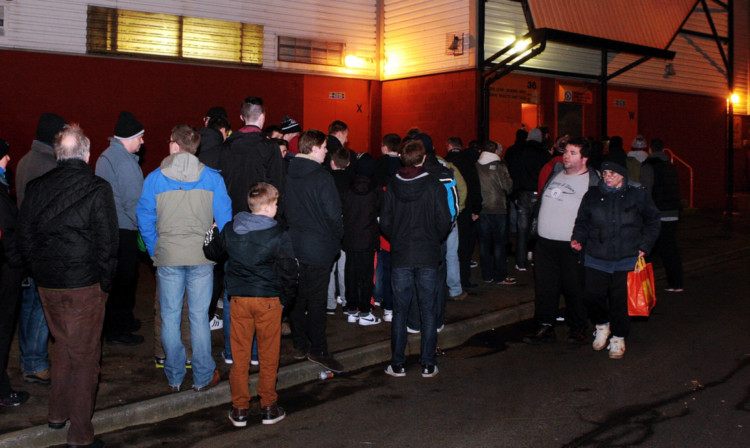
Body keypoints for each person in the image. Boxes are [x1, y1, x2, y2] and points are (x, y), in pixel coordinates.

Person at [19, 124, 119, 448]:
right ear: (87, 155)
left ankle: (56, 413)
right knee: (85, 358)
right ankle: (80, 434)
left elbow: (25, 238)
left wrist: (39, 271)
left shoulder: (36, 187)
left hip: (49, 285)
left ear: (59, 153)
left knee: (61, 348)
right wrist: (105, 284)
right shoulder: (97, 188)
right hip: (83, 286)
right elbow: (108, 244)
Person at [137, 124, 232, 391]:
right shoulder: (213, 178)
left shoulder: (154, 178)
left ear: (175, 145)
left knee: (169, 316)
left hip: (168, 256)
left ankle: (175, 375)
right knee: (199, 318)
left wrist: (155, 247)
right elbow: (225, 221)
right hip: (201, 257)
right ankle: (202, 376)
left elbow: (144, 217)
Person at [203, 182, 298, 427]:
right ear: (266, 207)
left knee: (240, 355)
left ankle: (240, 409)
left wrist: (211, 231)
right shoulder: (278, 234)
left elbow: (212, 253)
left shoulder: (232, 229)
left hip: (239, 301)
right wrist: (284, 301)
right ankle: (268, 405)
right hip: (268, 300)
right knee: (268, 355)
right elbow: (289, 272)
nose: (277, 207)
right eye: (275, 203)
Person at [571, 151, 660, 359]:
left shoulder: (637, 194)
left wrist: (645, 245)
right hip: (596, 255)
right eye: (605, 172)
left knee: (620, 300)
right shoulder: (592, 195)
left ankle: (618, 338)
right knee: (592, 296)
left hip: (626, 257)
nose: (608, 176)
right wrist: (578, 237)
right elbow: (582, 221)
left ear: (622, 173)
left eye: (612, 172)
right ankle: (602, 325)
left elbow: (653, 221)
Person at [219, 96, 286, 364]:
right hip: (264, 228)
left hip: (234, 227)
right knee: (263, 288)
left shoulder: (227, 147)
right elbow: (280, 188)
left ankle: (232, 351)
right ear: (262, 118)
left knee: (232, 289)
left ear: (241, 117)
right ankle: (258, 353)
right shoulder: (269, 149)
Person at [380, 139, 452, 378]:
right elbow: (444, 221)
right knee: (428, 310)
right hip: (428, 254)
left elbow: (386, 222)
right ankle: (428, 362)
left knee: (400, 311)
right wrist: (433, 239)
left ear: (403, 158)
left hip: (401, 254)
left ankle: (397, 363)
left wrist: (399, 239)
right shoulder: (434, 185)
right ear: (422, 159)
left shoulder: (392, 186)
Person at [523, 137, 599, 345]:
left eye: (573, 153)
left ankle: (578, 327)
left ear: (585, 158)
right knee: (545, 288)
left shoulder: (592, 182)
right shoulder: (555, 173)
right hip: (545, 244)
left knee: (574, 288)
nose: (566, 156)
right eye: (566, 151)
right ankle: (545, 326)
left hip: (572, 246)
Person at [285, 129, 344, 372]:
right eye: (324, 147)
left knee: (299, 296)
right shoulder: (321, 177)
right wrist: (337, 237)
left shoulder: (289, 172)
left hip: (295, 244)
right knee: (317, 300)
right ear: (313, 148)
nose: (327, 151)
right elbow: (333, 214)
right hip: (319, 247)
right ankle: (318, 349)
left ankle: (300, 343)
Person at [14, 113, 66, 386]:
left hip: (28, 245)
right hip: (44, 247)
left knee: (30, 304)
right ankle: (35, 363)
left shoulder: (25, 160)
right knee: (41, 306)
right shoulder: (48, 166)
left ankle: (28, 358)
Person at [95, 110, 146, 346]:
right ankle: (118, 331)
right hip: (125, 230)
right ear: (128, 138)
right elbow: (134, 204)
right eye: (140, 137)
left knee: (116, 282)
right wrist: (145, 230)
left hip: (110, 229)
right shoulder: (125, 164)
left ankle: (121, 321)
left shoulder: (106, 156)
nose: (143, 141)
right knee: (124, 281)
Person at [0, 138, 30, 408]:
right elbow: (8, 234)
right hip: (5, 275)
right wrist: (17, 263)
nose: (8, 160)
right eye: (4, 156)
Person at [640, 138, 684, 292]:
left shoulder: (649, 166)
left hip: (657, 213)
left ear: (650, 150)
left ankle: (641, 285)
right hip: (672, 211)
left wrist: (644, 212)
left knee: (646, 249)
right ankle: (676, 283)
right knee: (670, 249)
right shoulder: (670, 165)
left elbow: (646, 191)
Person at [342, 155, 381, 326]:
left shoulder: (347, 190)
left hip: (350, 238)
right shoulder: (375, 191)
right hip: (368, 239)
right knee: (366, 277)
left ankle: (351, 310)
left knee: (350, 274)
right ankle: (365, 312)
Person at [505, 127, 551, 271]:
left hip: (524, 194)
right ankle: (536, 258)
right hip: (540, 193)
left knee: (522, 229)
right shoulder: (544, 154)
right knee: (538, 228)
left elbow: (514, 174)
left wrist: (515, 194)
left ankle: (521, 261)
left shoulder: (520, 153)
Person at [445, 136, 483, 293]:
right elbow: (474, 186)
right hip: (466, 210)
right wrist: (476, 208)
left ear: (448, 146)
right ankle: (464, 279)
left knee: (449, 249)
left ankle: (448, 281)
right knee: (465, 247)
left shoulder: (445, 162)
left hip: (449, 210)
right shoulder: (469, 162)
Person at [475, 140, 515, 285]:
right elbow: (508, 187)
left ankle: (486, 275)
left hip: (482, 208)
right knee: (499, 243)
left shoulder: (476, 165)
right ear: (496, 151)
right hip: (498, 208)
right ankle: (500, 276)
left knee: (484, 244)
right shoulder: (500, 166)